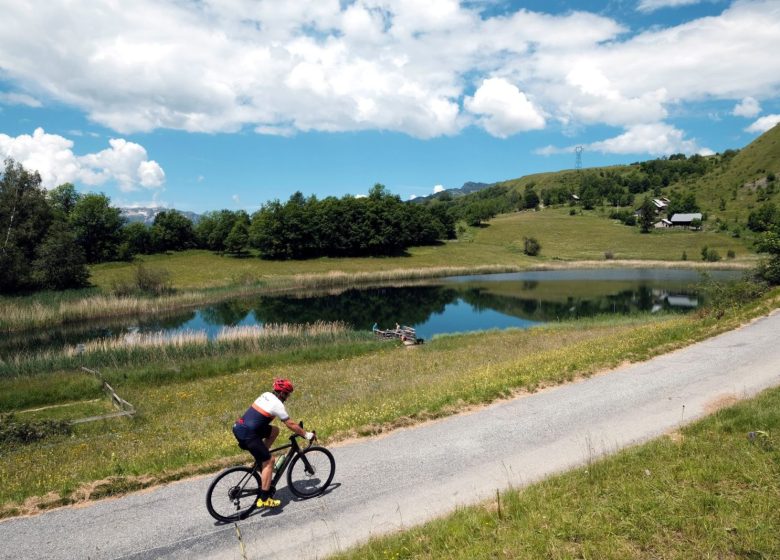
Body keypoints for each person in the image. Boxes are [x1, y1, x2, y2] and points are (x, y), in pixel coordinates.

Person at [232, 378, 315, 508]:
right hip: (249, 433)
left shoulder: (266, 394)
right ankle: (264, 498)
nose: (287, 398)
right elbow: (291, 424)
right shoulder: (278, 405)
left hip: (239, 426)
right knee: (270, 461)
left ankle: (261, 462)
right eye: (287, 394)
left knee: (274, 431)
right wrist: (306, 434)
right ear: (281, 393)